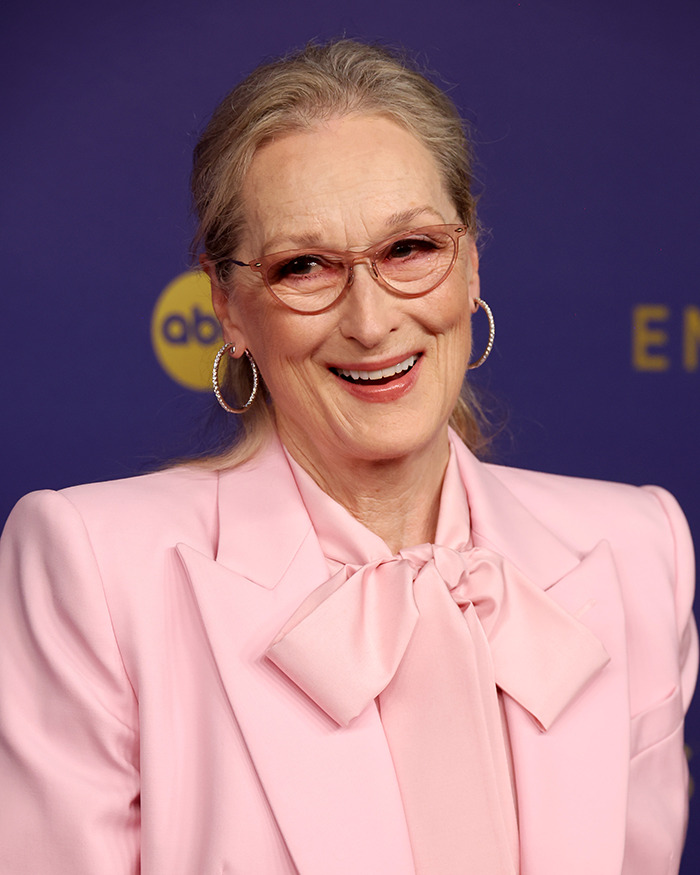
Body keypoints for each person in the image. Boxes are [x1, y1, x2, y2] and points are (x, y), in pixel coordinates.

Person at [0, 39, 696, 875]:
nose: (370, 321)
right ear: (227, 305)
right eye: (305, 267)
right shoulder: (92, 568)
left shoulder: (638, 550)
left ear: (469, 260)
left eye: (409, 250)